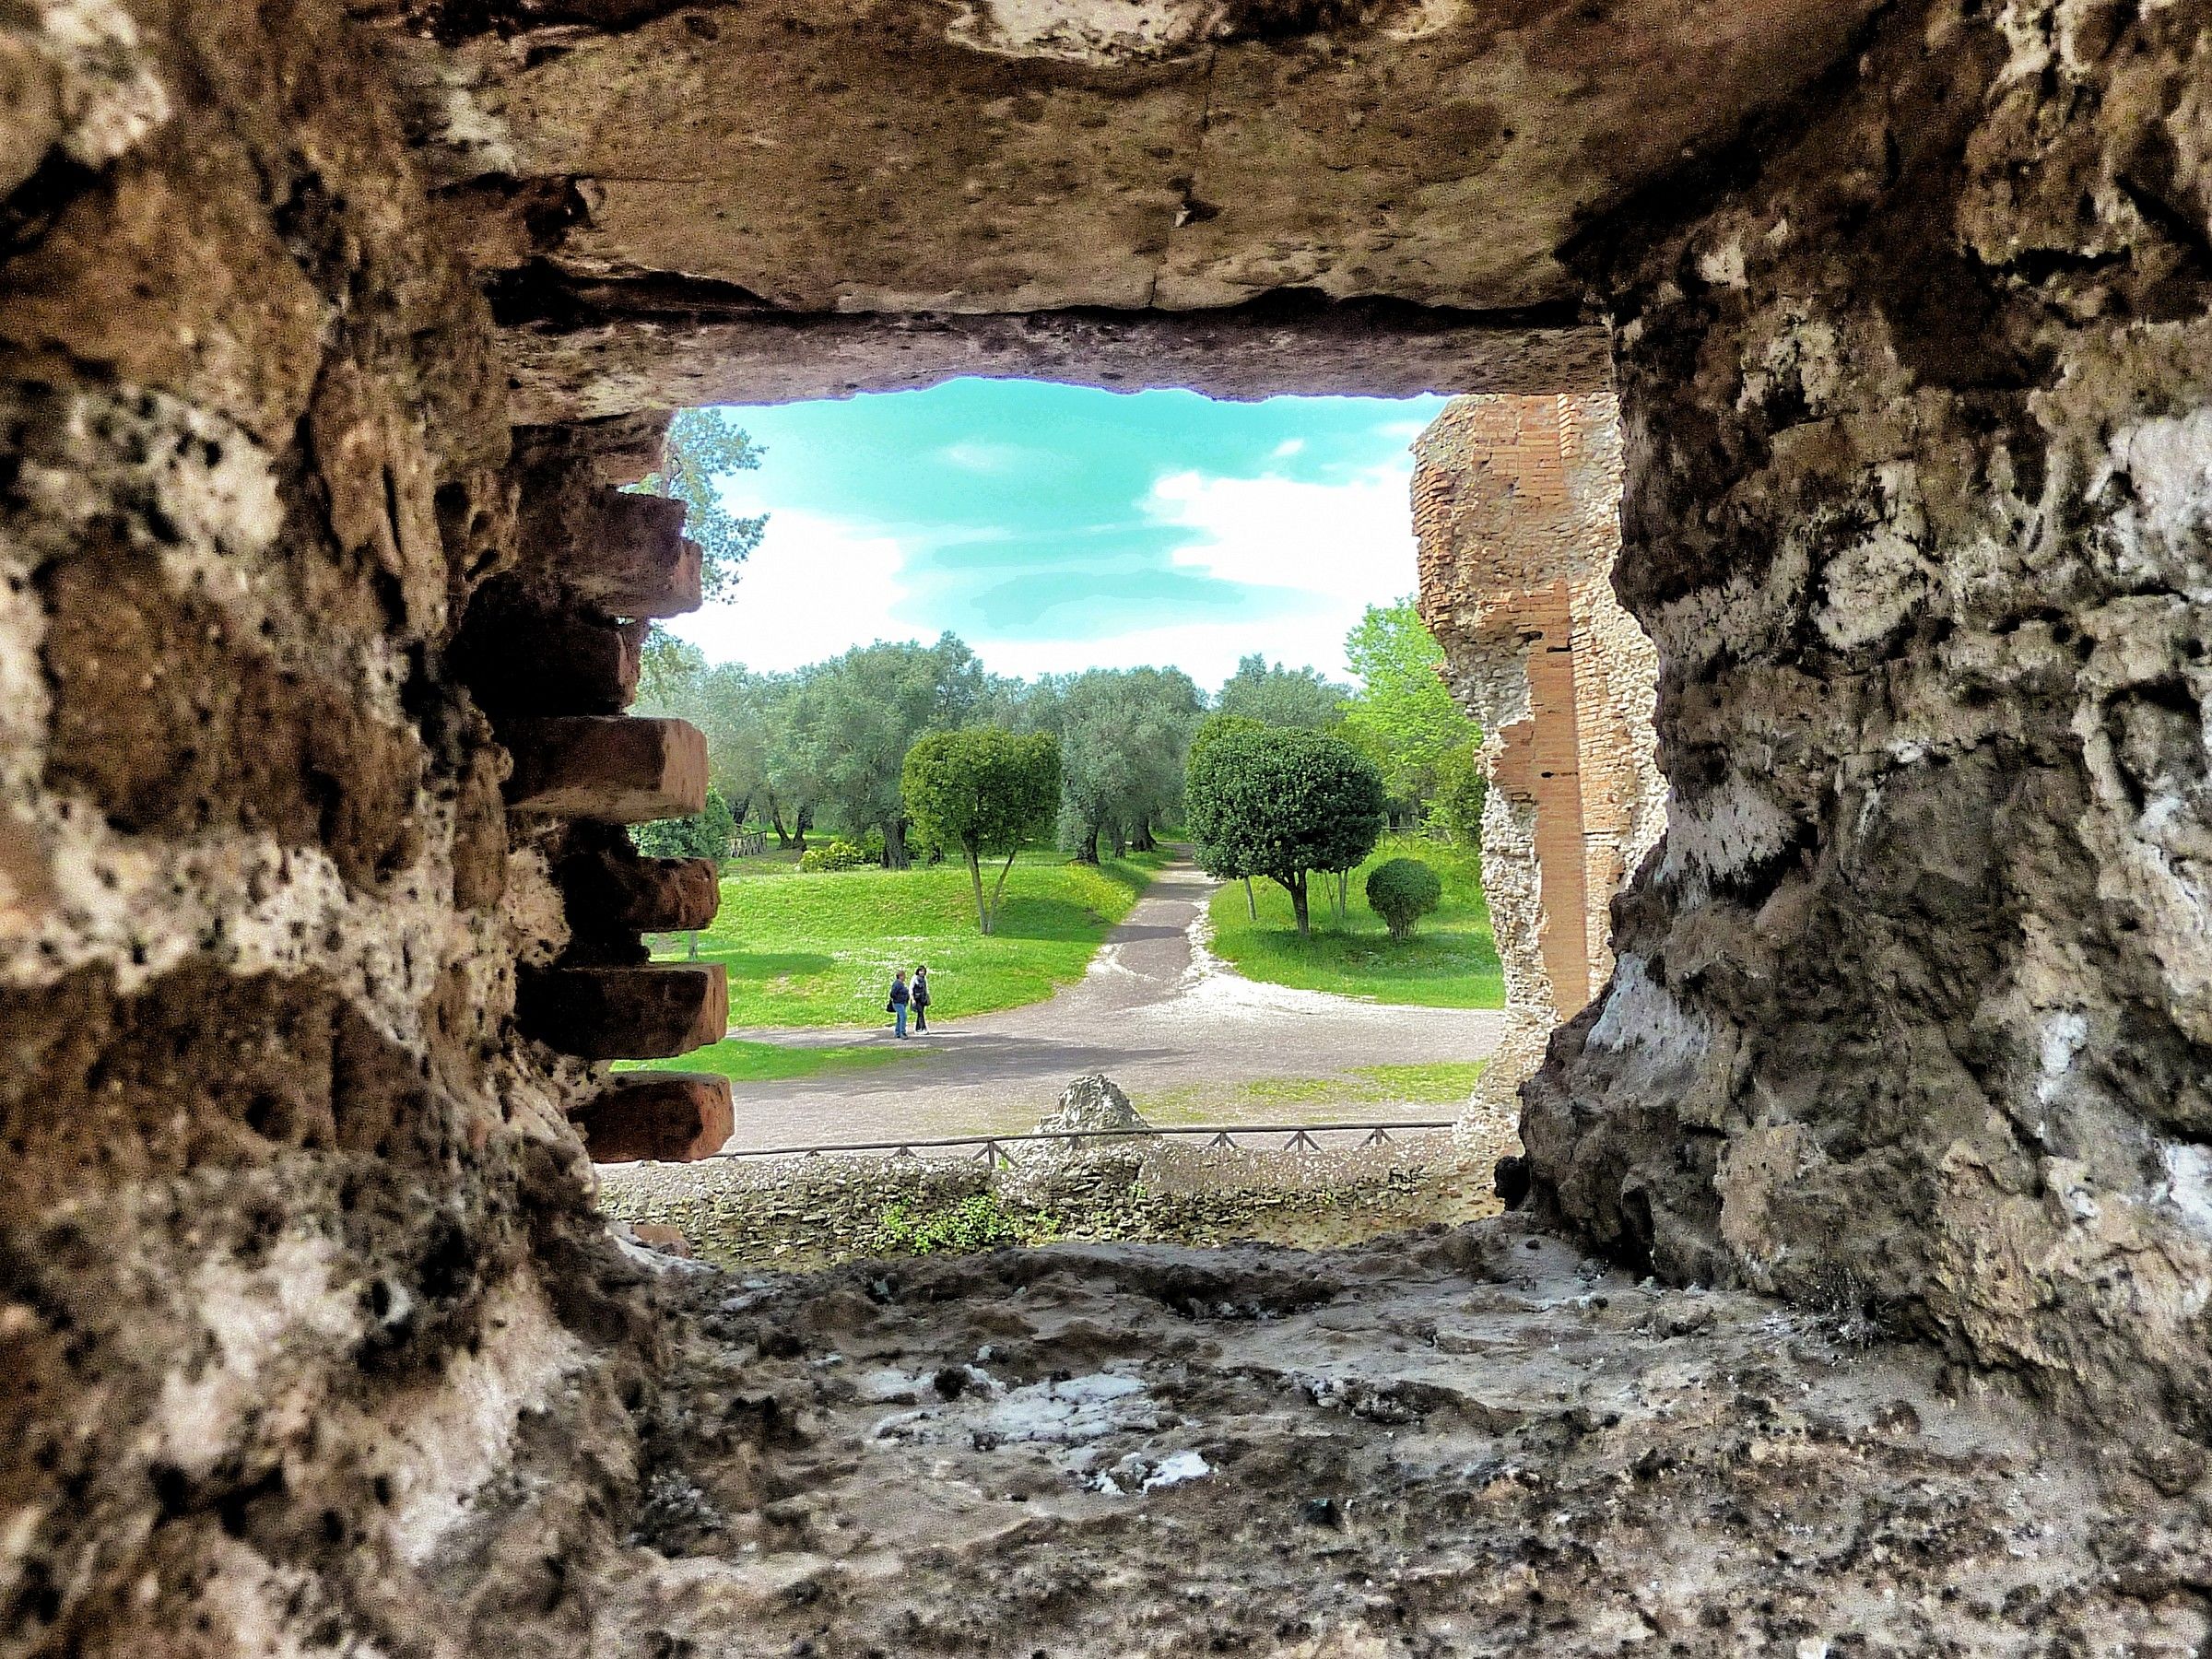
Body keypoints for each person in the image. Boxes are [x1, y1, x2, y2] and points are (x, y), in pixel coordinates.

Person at [887, 969, 911, 1038]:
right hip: (898, 1003)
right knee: (903, 1017)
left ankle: (897, 1032)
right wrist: (897, 998)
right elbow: (892, 993)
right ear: (900, 976)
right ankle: (902, 1032)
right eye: (904, 976)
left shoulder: (901, 984)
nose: (905, 977)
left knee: (900, 1018)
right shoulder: (897, 984)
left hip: (902, 1003)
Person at [911, 964, 931, 1033]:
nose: (922, 973)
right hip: (917, 998)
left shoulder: (924, 978)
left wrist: (928, 997)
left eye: (923, 971)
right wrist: (913, 999)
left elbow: (926, 988)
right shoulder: (914, 978)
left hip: (923, 998)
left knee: (920, 1013)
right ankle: (923, 1028)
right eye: (921, 971)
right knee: (920, 1013)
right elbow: (911, 989)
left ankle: (917, 1028)